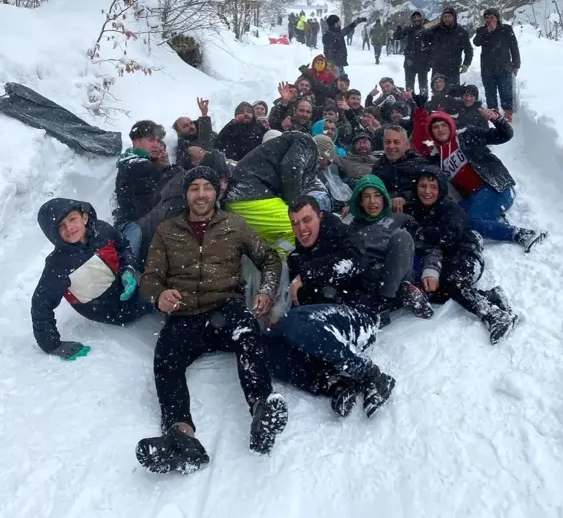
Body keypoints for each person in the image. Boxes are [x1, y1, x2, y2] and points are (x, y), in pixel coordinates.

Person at [136, 166, 287, 474]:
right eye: (195, 188)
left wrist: (267, 292)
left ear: (216, 192)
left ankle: (261, 409)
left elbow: (269, 258)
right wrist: (160, 295)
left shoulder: (235, 224)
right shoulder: (167, 230)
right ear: (186, 194)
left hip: (226, 308)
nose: (201, 194)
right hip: (185, 315)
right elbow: (149, 278)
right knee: (166, 356)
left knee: (249, 335)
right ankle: (180, 435)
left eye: (207, 187)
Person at [277, 196, 396, 417]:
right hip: (323, 327)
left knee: (295, 321)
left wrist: (308, 274)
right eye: (295, 223)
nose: (301, 228)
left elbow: (355, 263)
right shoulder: (296, 256)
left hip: (358, 315)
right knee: (266, 341)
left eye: (307, 220)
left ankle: (371, 375)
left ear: (320, 217)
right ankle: (335, 384)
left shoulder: (341, 234)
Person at [406, 167, 519, 343]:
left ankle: (493, 315)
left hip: (467, 252)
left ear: (441, 189)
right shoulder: (415, 208)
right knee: (436, 292)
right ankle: (490, 296)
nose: (427, 191)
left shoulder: (450, 207)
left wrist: (421, 232)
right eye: (423, 186)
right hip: (446, 257)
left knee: (452, 281)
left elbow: (449, 234)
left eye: (433, 187)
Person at [411, 106, 547, 251]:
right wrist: (420, 115)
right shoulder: (437, 156)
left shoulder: (466, 136)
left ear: (451, 126)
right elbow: (420, 144)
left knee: (469, 223)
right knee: (448, 218)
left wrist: (497, 119)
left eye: (444, 125)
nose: (440, 129)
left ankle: (522, 234)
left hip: (496, 187)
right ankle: (495, 220)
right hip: (472, 198)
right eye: (435, 127)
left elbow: (504, 135)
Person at [31, 199, 150, 359]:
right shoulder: (58, 265)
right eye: (61, 227)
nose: (69, 228)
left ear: (84, 218)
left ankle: (123, 224)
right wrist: (52, 345)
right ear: (54, 234)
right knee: (168, 290)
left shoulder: (102, 230)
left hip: (119, 279)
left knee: (133, 230)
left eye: (72, 219)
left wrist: (127, 269)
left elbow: (123, 247)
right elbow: (41, 304)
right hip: (115, 310)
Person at [224, 131, 327, 254]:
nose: (326, 168)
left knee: (281, 237)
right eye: (328, 162)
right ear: (323, 156)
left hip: (244, 195)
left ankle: (278, 265)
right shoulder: (307, 144)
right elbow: (291, 167)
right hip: (248, 194)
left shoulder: (287, 145)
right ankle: (290, 267)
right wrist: (297, 206)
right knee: (302, 228)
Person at [348, 175, 434, 319]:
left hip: (395, 274)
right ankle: (401, 293)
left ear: (384, 198)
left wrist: (432, 269)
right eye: (367, 197)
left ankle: (388, 299)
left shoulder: (400, 218)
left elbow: (428, 246)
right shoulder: (352, 229)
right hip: (370, 281)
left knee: (402, 237)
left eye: (377, 195)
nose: (372, 201)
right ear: (360, 202)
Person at [112, 119, 168, 261]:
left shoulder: (128, 162)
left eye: (158, 140)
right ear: (136, 142)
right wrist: (166, 167)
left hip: (128, 227)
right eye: (151, 140)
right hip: (141, 230)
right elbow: (156, 202)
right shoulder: (141, 166)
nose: (156, 145)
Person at [473, 8, 521, 122]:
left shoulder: (506, 29)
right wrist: (487, 31)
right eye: (487, 18)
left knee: (506, 93)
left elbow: (514, 47)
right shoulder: (481, 30)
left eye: (492, 17)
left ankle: (508, 118)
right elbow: (476, 42)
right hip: (487, 69)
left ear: (497, 18)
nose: (489, 20)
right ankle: (494, 118)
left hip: (504, 67)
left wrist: (516, 65)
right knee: (490, 94)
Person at [372, 125, 428, 212]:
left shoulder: (420, 165)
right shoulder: (378, 166)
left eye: (396, 142)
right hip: (384, 216)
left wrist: (405, 197)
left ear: (407, 145)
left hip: (416, 214)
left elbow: (430, 192)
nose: (391, 146)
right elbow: (370, 189)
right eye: (387, 142)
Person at [420, 7, 473, 87]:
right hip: (437, 68)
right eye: (445, 17)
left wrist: (466, 64)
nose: (447, 19)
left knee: (453, 94)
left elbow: (468, 50)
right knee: (437, 93)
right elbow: (422, 39)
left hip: (453, 69)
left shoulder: (461, 32)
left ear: (454, 18)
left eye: (449, 16)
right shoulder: (435, 30)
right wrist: (427, 27)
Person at [393, 11, 430, 94]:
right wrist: (398, 28)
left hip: (423, 61)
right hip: (410, 61)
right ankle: (411, 103)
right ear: (412, 19)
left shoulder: (427, 29)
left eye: (418, 17)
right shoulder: (409, 29)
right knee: (409, 86)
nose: (416, 19)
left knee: (423, 86)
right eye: (414, 17)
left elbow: (434, 38)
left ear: (421, 18)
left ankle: (423, 103)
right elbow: (396, 37)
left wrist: (429, 25)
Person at [172, 98, 216, 163]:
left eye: (191, 123)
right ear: (178, 131)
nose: (190, 126)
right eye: (185, 126)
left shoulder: (206, 130)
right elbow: (206, 150)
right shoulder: (183, 147)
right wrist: (204, 116)